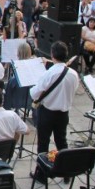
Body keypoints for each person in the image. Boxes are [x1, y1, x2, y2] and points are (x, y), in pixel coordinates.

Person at [30, 42, 79, 170]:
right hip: (63, 113)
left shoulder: (50, 73)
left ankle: (41, 173)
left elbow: (34, 94)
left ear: (52, 55)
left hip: (47, 112)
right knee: (62, 142)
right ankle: (65, 170)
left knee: (43, 144)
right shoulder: (73, 73)